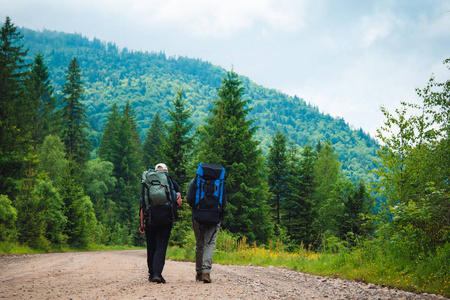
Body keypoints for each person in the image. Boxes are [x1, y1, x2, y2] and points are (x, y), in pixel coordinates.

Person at [139, 163, 182, 284]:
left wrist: (142, 223)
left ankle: (151, 274)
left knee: (151, 246)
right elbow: (179, 203)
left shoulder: (147, 181)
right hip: (166, 218)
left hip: (150, 218)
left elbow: (142, 204)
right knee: (161, 246)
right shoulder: (171, 182)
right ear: (166, 171)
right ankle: (157, 274)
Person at [186, 164, 226, 284]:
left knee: (199, 244)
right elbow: (223, 202)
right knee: (209, 244)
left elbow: (189, 199)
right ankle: (206, 273)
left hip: (198, 216)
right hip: (214, 216)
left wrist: (197, 209)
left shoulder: (195, 181)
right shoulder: (220, 182)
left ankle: (198, 273)